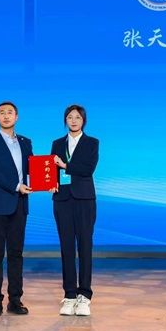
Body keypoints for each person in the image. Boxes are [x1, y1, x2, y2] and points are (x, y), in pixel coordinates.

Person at [0, 102, 32, 316]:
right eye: (2, 113)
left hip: (19, 204)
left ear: (17, 117)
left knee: (16, 254)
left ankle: (15, 300)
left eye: (10, 112)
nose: (6, 116)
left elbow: (33, 168)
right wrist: (16, 186)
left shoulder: (26, 142)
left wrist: (49, 180)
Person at [50, 105, 99, 316]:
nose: (73, 120)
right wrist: (51, 183)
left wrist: (65, 166)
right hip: (62, 199)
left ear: (83, 120)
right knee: (66, 247)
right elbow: (51, 169)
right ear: (65, 121)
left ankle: (84, 296)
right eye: (70, 117)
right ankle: (69, 295)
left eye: (77, 117)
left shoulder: (92, 143)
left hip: (84, 199)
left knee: (85, 246)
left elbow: (88, 169)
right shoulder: (57, 143)